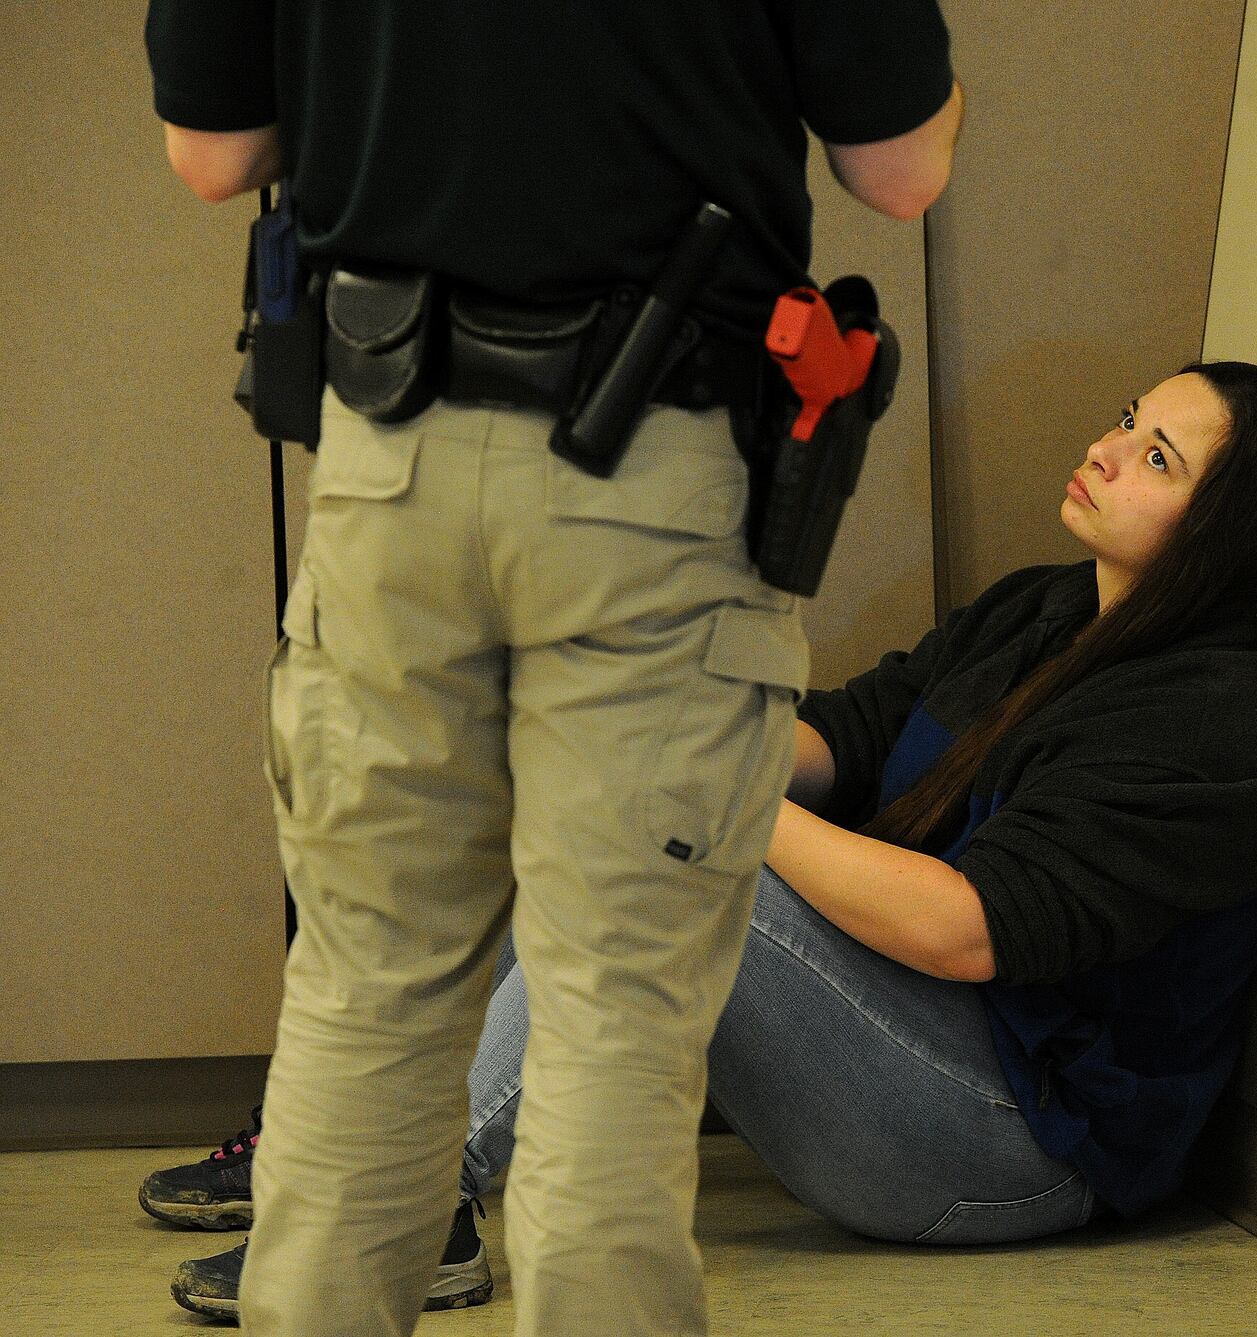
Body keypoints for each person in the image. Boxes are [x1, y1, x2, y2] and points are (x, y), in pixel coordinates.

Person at [145, 360, 1257, 1316]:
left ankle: (405, 1202)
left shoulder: (1211, 723)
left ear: (1222, 532)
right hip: (925, 1050)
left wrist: (718, 803)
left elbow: (967, 929)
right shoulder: (1046, 605)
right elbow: (854, 734)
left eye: (1155, 457)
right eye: (1126, 417)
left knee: (691, 874)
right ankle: (358, 1147)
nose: (1106, 448)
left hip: (1021, 1145)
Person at [143, 4, 963, 1334]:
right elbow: (901, 166)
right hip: (655, 476)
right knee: (612, 1014)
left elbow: (212, 152)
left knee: (367, 998)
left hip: (384, 469)